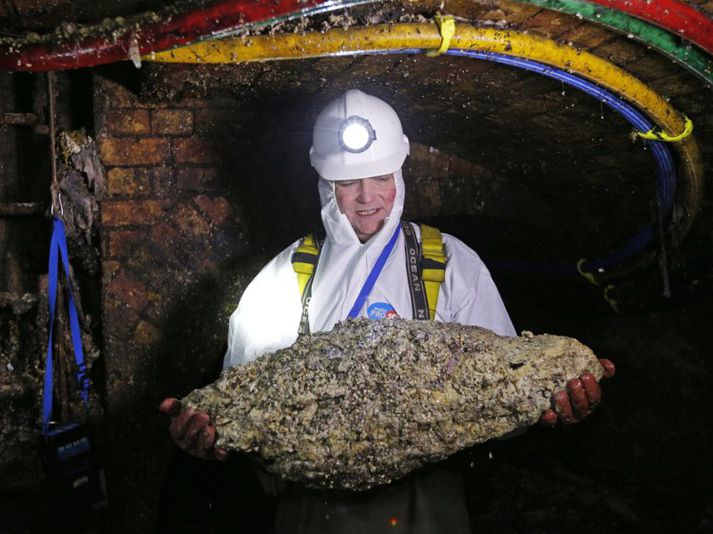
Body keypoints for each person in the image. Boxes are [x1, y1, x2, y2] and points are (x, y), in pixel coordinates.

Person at [159, 89, 615, 533]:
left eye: (381, 177)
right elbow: (242, 407)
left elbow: (504, 395)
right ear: (324, 184)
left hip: (427, 509)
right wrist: (207, 432)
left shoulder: (449, 262)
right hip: (313, 512)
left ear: (400, 175)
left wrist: (553, 403)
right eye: (349, 182)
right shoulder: (288, 275)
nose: (367, 197)